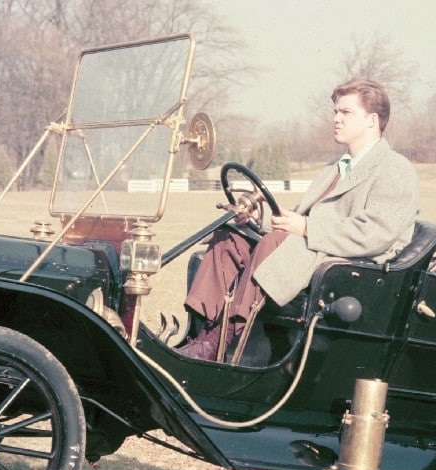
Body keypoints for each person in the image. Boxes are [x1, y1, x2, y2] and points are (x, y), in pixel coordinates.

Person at [180, 78, 420, 361]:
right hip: (318, 247)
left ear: (372, 120)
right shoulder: (336, 167)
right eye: (335, 111)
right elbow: (301, 215)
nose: (336, 119)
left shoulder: (394, 168)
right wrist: (258, 216)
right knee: (229, 238)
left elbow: (376, 234)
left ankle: (225, 337)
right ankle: (201, 332)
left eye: (346, 112)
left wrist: (306, 228)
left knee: (278, 243)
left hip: (354, 266)